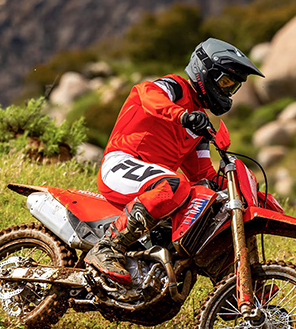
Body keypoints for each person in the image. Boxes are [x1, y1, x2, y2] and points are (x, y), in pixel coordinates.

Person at [85, 37, 264, 284]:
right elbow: (145, 93)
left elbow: (203, 175)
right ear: (206, 73)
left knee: (208, 203)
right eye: (225, 82)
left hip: (153, 184)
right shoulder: (175, 88)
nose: (227, 91)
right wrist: (181, 116)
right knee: (175, 184)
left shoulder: (197, 124)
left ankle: (231, 288)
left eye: (232, 87)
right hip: (120, 163)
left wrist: (243, 193)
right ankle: (106, 248)